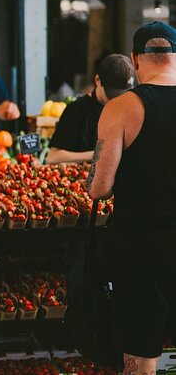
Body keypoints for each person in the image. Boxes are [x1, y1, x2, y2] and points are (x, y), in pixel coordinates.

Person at [89, 21, 176, 375]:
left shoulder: (122, 107)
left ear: (135, 59)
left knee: (141, 357)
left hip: (142, 248)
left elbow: (100, 187)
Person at [46, 54, 135, 164]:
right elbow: (53, 157)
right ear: (98, 80)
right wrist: (98, 154)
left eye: (122, 94)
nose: (117, 100)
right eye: (113, 94)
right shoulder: (76, 111)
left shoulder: (129, 110)